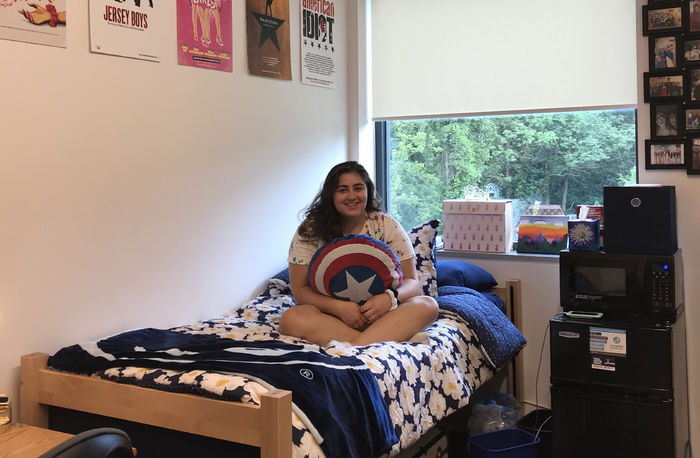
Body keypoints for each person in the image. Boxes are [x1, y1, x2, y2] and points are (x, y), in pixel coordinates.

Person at [279, 161, 439, 347]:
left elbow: (412, 282)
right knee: (291, 319)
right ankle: (389, 339)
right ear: (331, 194)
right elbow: (300, 290)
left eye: (358, 188)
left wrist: (389, 298)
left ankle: (353, 345)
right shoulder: (310, 229)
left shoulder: (386, 225)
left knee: (428, 305)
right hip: (332, 317)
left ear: (367, 191)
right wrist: (338, 307)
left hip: (385, 314)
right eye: (343, 190)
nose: (352, 196)